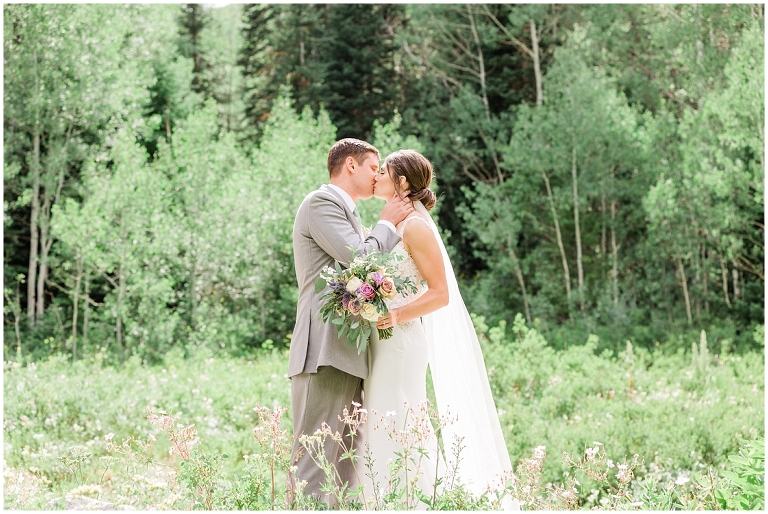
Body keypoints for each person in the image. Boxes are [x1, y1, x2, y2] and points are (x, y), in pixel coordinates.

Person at [362, 149, 518, 509]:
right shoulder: (392, 225)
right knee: (382, 417)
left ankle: (418, 500)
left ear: (401, 182)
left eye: (383, 170)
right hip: (382, 337)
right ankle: (383, 499)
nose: (377, 176)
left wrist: (397, 314)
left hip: (401, 339)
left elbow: (440, 293)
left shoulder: (415, 226)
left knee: (399, 416)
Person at [288, 138, 413, 505]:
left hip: (345, 352)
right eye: (374, 168)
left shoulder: (350, 216)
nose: (378, 177)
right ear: (351, 166)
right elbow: (360, 259)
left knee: (342, 470)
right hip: (322, 350)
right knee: (313, 464)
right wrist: (387, 224)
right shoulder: (320, 203)